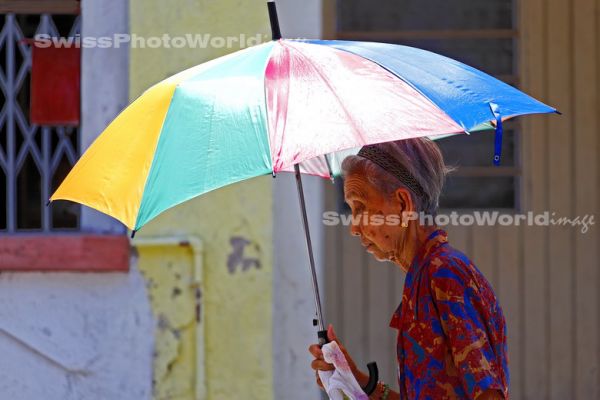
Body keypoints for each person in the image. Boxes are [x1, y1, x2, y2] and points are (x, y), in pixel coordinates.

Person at [309, 138, 509, 399]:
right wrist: (356, 380)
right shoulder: (423, 278)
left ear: (403, 205)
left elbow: (488, 395)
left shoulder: (446, 274)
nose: (354, 227)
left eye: (361, 207)